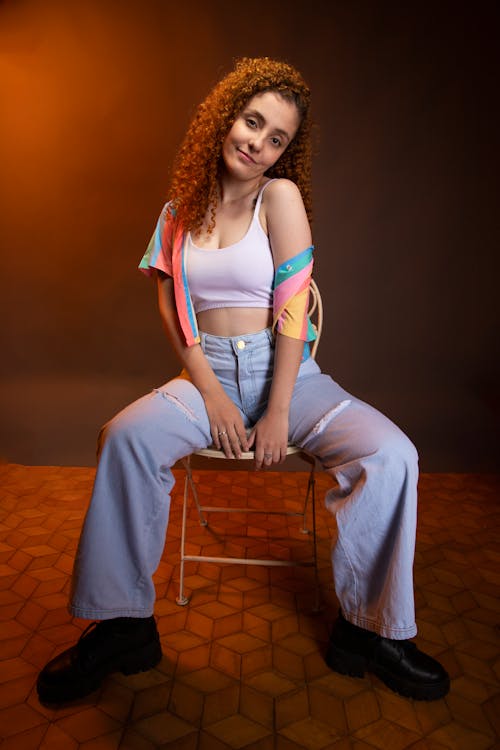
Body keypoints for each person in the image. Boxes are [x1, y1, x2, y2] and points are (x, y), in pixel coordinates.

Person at [37, 57, 449, 705]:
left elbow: (292, 306)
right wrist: (208, 387)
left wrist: (279, 408)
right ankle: (123, 628)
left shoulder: (277, 198)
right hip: (208, 378)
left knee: (391, 453)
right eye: (251, 121)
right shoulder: (179, 209)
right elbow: (171, 304)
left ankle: (370, 632)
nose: (258, 142)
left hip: (289, 373)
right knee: (124, 437)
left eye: (276, 137)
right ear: (223, 118)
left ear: (287, 151)